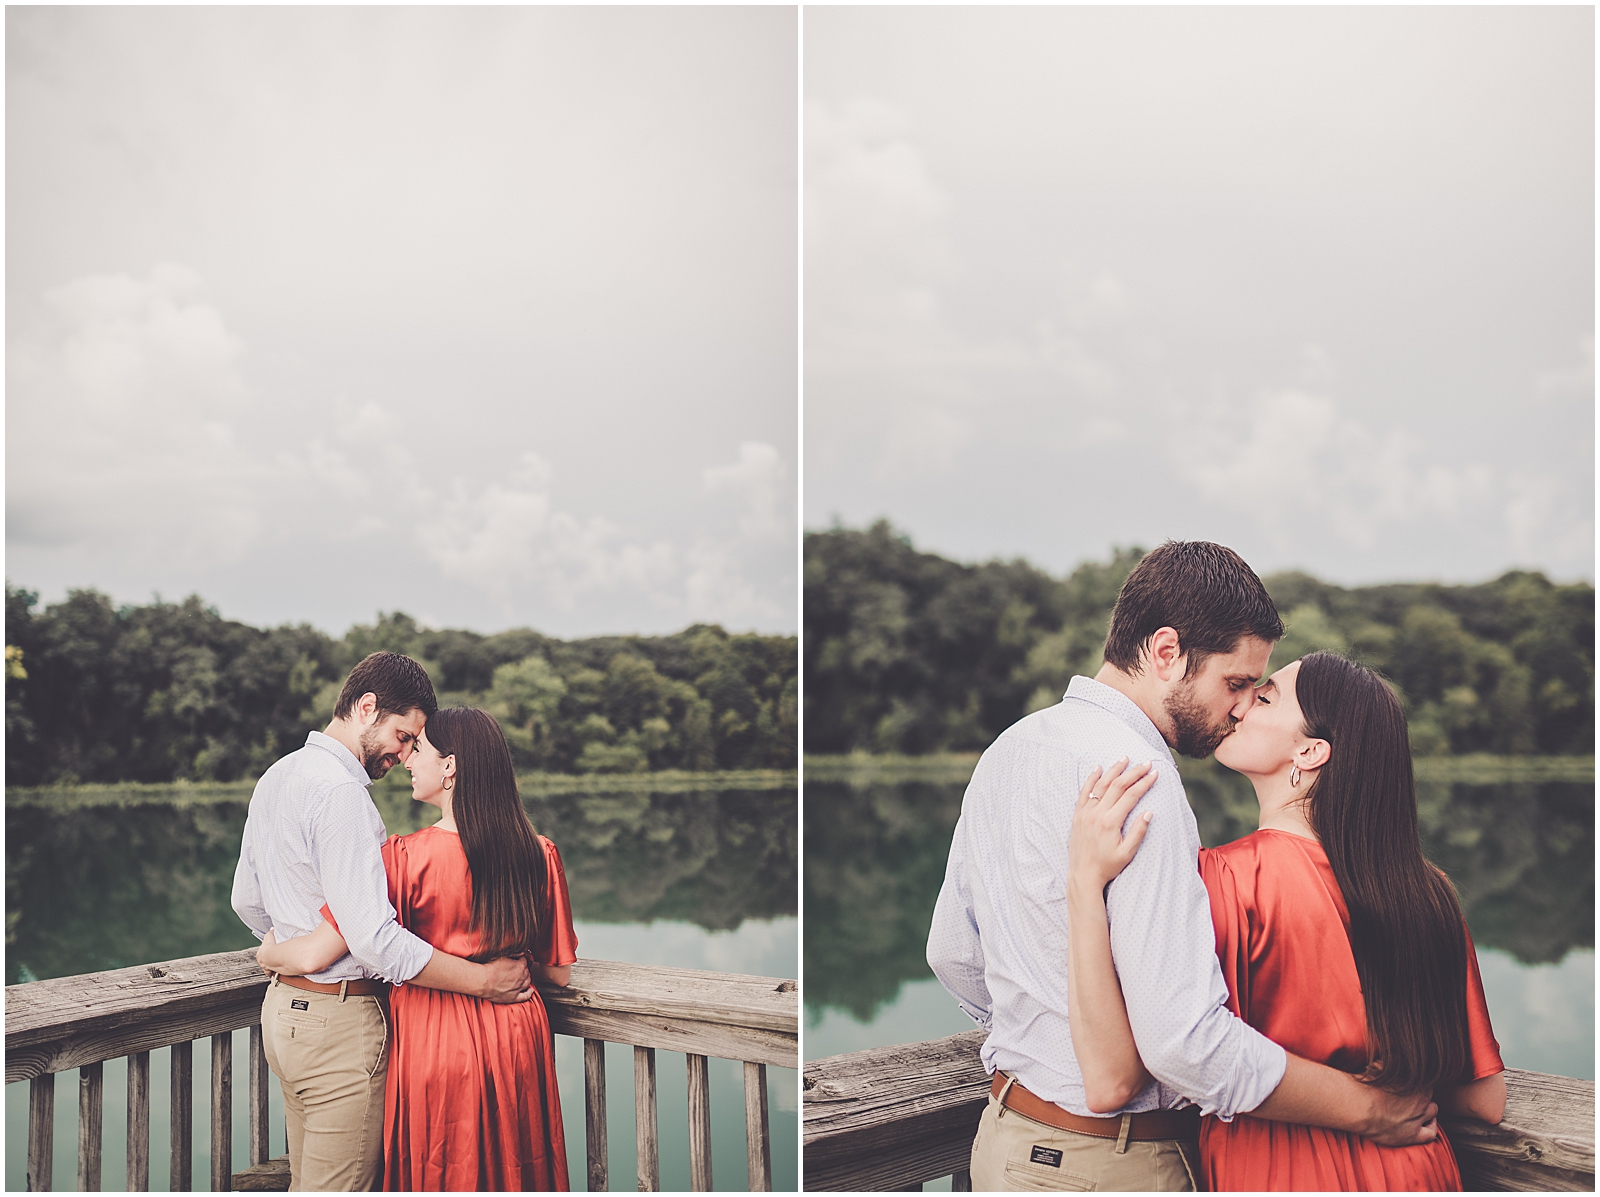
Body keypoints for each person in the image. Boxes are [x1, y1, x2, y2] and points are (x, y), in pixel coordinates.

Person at [926, 541, 1438, 1193]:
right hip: (1106, 1165)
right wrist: (1371, 1109)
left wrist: (1040, 1036)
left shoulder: (1008, 749)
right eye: (1235, 682)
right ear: (1166, 652)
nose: (1241, 706)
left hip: (1003, 1142)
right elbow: (1186, 1043)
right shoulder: (1141, 782)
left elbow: (950, 953)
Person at [1066, 651, 1505, 1190]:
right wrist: (1387, 1089)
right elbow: (1485, 1100)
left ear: (1311, 751)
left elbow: (1119, 1070)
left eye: (1265, 696)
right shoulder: (1429, 891)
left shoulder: (1221, 880)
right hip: (1419, 1170)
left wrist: (1085, 883)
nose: (1241, 704)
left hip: (1280, 1171)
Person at [231, 653, 535, 1192]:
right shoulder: (343, 794)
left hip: (284, 1015)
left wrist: (286, 951)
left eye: (415, 741)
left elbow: (246, 903)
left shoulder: (277, 775)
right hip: (339, 1025)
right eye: (402, 734)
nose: (404, 752)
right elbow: (375, 939)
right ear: (366, 707)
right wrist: (485, 982)